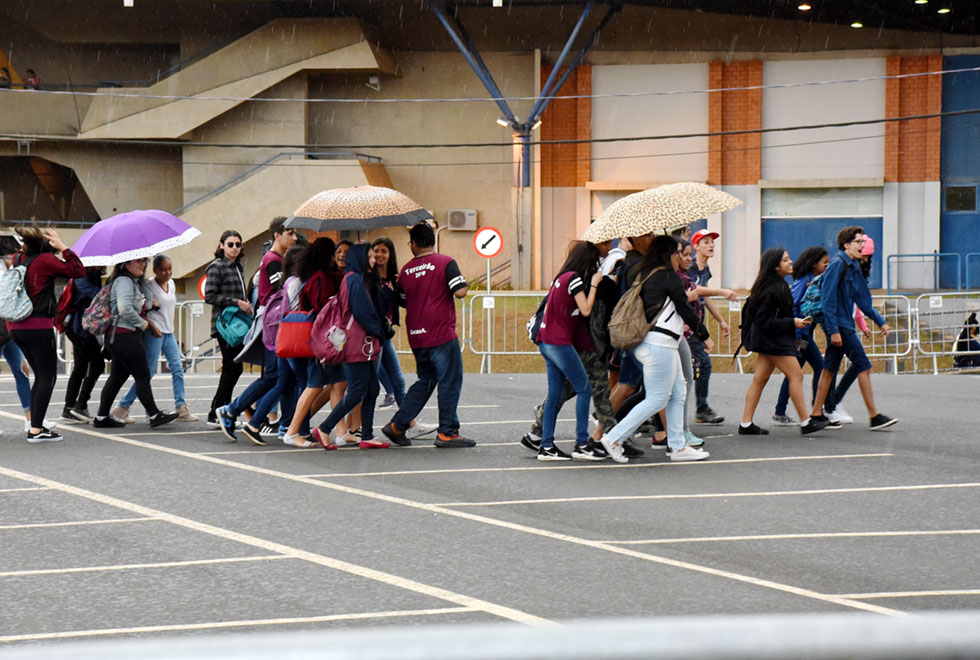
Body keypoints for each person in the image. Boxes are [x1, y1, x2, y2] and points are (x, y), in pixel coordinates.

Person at [599, 236, 710, 463]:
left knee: (678, 392)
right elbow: (684, 309)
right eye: (678, 252)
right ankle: (613, 438)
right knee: (657, 399)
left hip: (653, 344)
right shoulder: (668, 276)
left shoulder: (649, 274)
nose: (681, 256)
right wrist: (704, 335)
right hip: (660, 345)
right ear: (668, 254)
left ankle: (678, 446)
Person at [381, 222, 473, 448]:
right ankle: (447, 432)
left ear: (413, 244)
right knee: (450, 381)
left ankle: (398, 425)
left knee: (426, 380)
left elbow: (402, 302)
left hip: (417, 336)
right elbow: (460, 291)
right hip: (441, 333)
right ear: (432, 240)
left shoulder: (405, 272)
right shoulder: (445, 263)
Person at [215, 218, 296, 444]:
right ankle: (232, 410)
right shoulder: (273, 261)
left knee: (282, 378)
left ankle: (286, 425)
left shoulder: (277, 260)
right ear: (277, 235)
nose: (294, 237)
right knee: (275, 377)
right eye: (290, 233)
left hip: (273, 324)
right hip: (272, 325)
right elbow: (278, 294)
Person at [808, 227, 897, 431]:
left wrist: (880, 321)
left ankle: (815, 415)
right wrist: (833, 330)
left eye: (862, 242)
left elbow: (862, 300)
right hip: (840, 326)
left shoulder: (853, 266)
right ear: (846, 244)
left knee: (828, 370)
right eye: (858, 242)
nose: (861, 246)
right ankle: (874, 416)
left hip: (844, 324)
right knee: (863, 365)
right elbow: (827, 299)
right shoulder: (837, 265)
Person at [737, 247, 830, 436]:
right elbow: (764, 321)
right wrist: (792, 322)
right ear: (775, 267)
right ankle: (806, 421)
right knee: (796, 374)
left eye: (789, 258)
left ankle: (745, 424)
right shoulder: (774, 289)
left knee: (760, 379)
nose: (791, 262)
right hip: (773, 341)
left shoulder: (773, 286)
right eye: (785, 260)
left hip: (769, 339)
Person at [8, 226, 85, 442]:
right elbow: (78, 270)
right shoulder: (44, 261)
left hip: (17, 326)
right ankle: (36, 430)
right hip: (38, 325)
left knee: (40, 376)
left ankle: (35, 425)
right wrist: (62, 247)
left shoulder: (17, 259)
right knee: (47, 376)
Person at [310, 244, 390, 450]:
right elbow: (363, 312)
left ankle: (368, 435)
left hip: (363, 342)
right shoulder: (354, 279)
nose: (373, 260)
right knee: (357, 390)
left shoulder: (356, 278)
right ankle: (324, 428)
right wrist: (380, 332)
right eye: (370, 256)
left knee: (371, 388)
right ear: (361, 258)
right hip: (358, 343)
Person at [533, 241, 605, 461]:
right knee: (584, 389)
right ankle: (582, 443)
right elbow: (585, 309)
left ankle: (546, 446)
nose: (596, 266)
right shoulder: (574, 278)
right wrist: (594, 284)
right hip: (558, 342)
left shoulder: (560, 277)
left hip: (545, 340)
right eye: (595, 262)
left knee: (554, 394)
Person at [92, 258, 178, 429]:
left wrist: (144, 280)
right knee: (143, 375)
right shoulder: (124, 281)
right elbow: (125, 309)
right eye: (139, 261)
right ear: (126, 263)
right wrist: (144, 324)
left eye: (145, 261)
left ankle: (101, 417)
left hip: (121, 337)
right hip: (124, 336)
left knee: (117, 377)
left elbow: (146, 306)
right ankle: (154, 414)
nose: (143, 264)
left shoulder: (133, 282)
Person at [113, 255, 196, 423]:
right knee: (148, 372)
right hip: (154, 332)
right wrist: (150, 324)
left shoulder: (171, 284)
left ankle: (181, 407)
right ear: (155, 270)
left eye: (170, 269)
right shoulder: (149, 284)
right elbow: (142, 309)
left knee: (178, 368)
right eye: (163, 270)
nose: (168, 273)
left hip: (169, 331)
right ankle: (122, 407)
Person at [282, 238, 345, 447]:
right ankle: (292, 431)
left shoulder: (316, 275)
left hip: (320, 338)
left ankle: (342, 432)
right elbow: (323, 307)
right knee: (314, 385)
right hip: (322, 339)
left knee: (337, 384)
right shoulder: (319, 278)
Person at [771, 246, 834, 426]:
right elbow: (793, 304)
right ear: (814, 264)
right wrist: (797, 333)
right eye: (824, 263)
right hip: (800, 335)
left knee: (795, 372)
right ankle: (816, 411)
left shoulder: (815, 279)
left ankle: (780, 411)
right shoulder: (805, 281)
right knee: (819, 368)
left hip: (805, 333)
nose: (827, 266)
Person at [205, 230, 250, 427]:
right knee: (232, 367)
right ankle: (219, 411)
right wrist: (236, 302)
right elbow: (210, 296)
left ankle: (220, 410)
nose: (234, 248)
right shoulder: (216, 267)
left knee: (233, 367)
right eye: (230, 244)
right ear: (221, 245)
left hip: (237, 324)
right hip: (225, 325)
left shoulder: (237, 267)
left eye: (237, 244)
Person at [688, 228, 728, 425]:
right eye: (705, 242)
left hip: (697, 324)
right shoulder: (690, 267)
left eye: (712, 241)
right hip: (685, 325)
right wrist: (723, 291)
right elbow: (695, 289)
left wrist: (721, 320)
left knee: (696, 365)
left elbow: (705, 296)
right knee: (703, 363)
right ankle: (701, 408)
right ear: (695, 246)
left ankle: (700, 408)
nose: (711, 245)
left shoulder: (706, 270)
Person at [61, 266, 106, 422]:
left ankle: (69, 408)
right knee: (97, 364)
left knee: (80, 367)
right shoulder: (81, 276)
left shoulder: (94, 275)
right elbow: (97, 296)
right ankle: (80, 405)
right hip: (78, 327)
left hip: (81, 327)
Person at [371, 237, 406, 410]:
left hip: (385, 334)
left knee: (398, 381)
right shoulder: (369, 278)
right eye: (376, 250)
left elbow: (404, 302)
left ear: (390, 254)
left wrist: (401, 287)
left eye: (384, 251)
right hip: (371, 336)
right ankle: (351, 428)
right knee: (369, 385)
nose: (379, 255)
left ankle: (407, 421)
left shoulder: (394, 278)